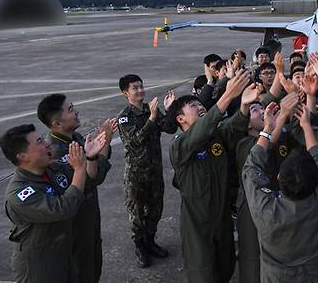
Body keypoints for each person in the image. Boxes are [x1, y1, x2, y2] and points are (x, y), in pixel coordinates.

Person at [167, 70, 256, 282]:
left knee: (225, 267)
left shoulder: (214, 137)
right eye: (193, 106)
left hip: (222, 219)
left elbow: (232, 128)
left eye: (200, 104)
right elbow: (200, 131)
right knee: (203, 273)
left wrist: (243, 105)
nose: (201, 107)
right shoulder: (179, 147)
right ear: (181, 119)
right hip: (198, 226)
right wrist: (227, 96)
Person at [1, 124, 107, 283]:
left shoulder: (51, 169)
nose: (47, 143)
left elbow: (89, 179)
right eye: (39, 142)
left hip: (63, 254)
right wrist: (79, 169)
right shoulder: (19, 194)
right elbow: (64, 208)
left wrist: (90, 157)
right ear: (23, 156)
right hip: (40, 267)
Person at [242, 103, 318, 282]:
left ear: (278, 177)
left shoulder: (265, 207)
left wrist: (267, 128)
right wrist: (306, 126)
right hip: (313, 274)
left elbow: (251, 167)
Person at [37, 94, 113, 283]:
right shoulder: (56, 153)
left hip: (89, 217)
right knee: (82, 270)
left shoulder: (75, 138)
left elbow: (94, 171)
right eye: (70, 109)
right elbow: (92, 178)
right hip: (76, 225)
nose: (76, 111)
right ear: (56, 123)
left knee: (94, 265)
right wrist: (102, 148)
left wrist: (101, 145)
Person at [234, 94, 299, 283]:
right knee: (253, 257)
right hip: (252, 208)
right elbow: (264, 146)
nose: (262, 112)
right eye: (255, 110)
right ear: (246, 125)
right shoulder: (243, 145)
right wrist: (279, 118)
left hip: (276, 206)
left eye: (263, 109)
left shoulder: (280, 137)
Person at [117, 75, 177, 267]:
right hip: (136, 174)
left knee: (155, 209)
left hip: (154, 170)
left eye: (141, 86)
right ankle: (140, 246)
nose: (140, 91)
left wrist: (169, 110)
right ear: (125, 93)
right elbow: (134, 142)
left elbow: (169, 128)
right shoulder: (125, 117)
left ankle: (150, 241)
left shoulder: (150, 109)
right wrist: (151, 119)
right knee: (137, 213)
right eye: (135, 88)